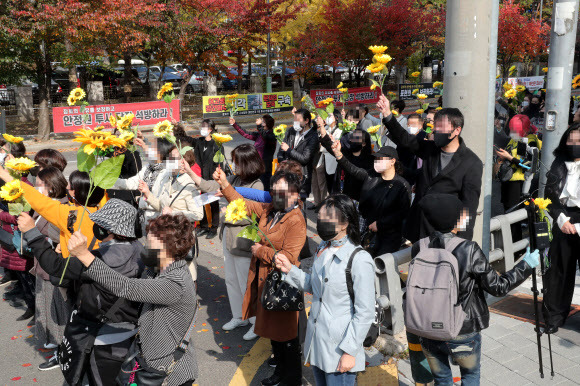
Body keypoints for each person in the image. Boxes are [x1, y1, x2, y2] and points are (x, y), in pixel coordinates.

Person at [413, 193, 540, 385]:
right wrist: (526, 265)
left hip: (427, 328)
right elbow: (498, 287)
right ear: (454, 220)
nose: (465, 217)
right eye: (461, 214)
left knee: (441, 379)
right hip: (463, 328)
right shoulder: (468, 249)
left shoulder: (419, 247)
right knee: (470, 375)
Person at [21, 198, 145, 385]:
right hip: (127, 331)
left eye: (101, 224)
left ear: (110, 230)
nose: (97, 227)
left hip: (100, 337)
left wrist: (32, 232)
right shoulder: (139, 250)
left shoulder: (97, 261)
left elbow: (55, 268)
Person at [67, 214, 198, 386]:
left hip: (169, 374)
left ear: (167, 249)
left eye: (150, 244)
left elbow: (127, 287)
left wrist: (84, 255)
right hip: (152, 360)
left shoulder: (175, 283)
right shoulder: (159, 268)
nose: (145, 247)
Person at [215, 167, 306, 386]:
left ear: (295, 194)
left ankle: (292, 378)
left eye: (283, 192)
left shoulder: (296, 221)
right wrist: (225, 184)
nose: (277, 195)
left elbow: (289, 258)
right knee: (275, 335)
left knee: (287, 336)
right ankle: (279, 372)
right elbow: (243, 205)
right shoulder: (269, 209)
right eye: (275, 190)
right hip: (266, 281)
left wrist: (260, 251)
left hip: (284, 285)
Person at [275, 195, 376, 386]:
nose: (322, 222)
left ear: (345, 222)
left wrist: (349, 351)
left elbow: (365, 312)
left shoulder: (359, 259)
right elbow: (314, 286)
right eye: (320, 217)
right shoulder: (323, 247)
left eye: (328, 217)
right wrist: (290, 270)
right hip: (318, 342)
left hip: (340, 348)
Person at [377, 94, 483, 242]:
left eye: (442, 127)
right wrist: (388, 115)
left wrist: (460, 242)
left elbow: (468, 208)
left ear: (457, 130)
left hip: (444, 235)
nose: (436, 130)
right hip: (418, 228)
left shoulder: (472, 163)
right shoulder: (430, 149)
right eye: (436, 126)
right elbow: (405, 139)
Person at [185, 144, 264, 340]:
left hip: (244, 241)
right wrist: (189, 171)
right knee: (231, 280)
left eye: (237, 162)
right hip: (228, 238)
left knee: (247, 283)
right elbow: (209, 186)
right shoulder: (235, 179)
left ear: (247, 163)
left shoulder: (257, 186)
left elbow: (250, 213)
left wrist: (228, 194)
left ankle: (254, 322)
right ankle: (239, 316)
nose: (234, 165)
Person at [329, 136, 411, 255]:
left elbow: (402, 213)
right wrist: (338, 154)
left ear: (392, 161)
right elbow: (352, 169)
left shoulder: (402, 185)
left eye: (381, 159)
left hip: (390, 235)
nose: (377, 162)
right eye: (376, 159)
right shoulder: (371, 176)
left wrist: (380, 224)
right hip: (367, 231)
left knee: (383, 265)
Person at [30, 167, 73, 371]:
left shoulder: (61, 207)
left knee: (59, 313)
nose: (36, 187)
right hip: (42, 265)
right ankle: (55, 344)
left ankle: (62, 352)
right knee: (47, 307)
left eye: (38, 183)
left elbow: (59, 236)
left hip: (54, 268)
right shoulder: (44, 205)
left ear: (49, 186)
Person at [543, 124, 580, 332]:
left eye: (578, 141)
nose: (574, 145)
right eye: (571, 141)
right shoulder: (559, 163)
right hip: (563, 218)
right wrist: (562, 221)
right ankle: (554, 317)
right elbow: (550, 196)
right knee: (559, 272)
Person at [111, 137, 177, 237]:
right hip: (144, 218)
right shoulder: (148, 168)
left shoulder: (167, 173)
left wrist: (147, 194)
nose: (149, 150)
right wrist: (109, 179)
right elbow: (131, 183)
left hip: (158, 221)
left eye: (152, 148)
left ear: (161, 152)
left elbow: (163, 203)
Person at [495, 114, 541, 241]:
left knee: (513, 217)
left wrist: (509, 157)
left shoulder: (528, 141)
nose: (512, 132)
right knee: (508, 214)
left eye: (515, 130)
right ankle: (511, 245)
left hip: (518, 184)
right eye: (511, 129)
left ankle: (516, 248)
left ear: (525, 130)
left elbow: (529, 165)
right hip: (508, 182)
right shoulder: (515, 139)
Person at [137, 147, 203, 223]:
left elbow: (198, 214)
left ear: (183, 162)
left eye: (173, 158)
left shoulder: (191, 184)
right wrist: (147, 193)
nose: (169, 160)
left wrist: (173, 213)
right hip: (166, 230)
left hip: (180, 231)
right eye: (169, 157)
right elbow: (162, 207)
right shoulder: (167, 178)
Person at [278, 108, 319, 206]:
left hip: (302, 176)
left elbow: (305, 159)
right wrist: (282, 162)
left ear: (306, 121)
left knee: (299, 205)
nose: (295, 122)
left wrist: (289, 150)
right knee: (287, 204)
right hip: (286, 173)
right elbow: (281, 150)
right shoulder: (291, 131)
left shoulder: (313, 136)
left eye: (298, 119)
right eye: (294, 119)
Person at [230, 115, 277, 190]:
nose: (261, 122)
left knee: (265, 187)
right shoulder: (259, 135)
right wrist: (234, 124)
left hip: (265, 167)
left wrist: (259, 126)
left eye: (263, 121)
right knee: (255, 186)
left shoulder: (271, 136)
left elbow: (266, 137)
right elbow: (246, 134)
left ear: (267, 124)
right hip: (256, 166)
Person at [194, 119, 220, 239]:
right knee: (202, 201)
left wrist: (216, 177)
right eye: (201, 127)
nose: (201, 129)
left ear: (210, 129)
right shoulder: (199, 142)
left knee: (214, 203)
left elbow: (220, 162)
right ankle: (203, 226)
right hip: (201, 177)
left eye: (204, 127)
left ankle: (214, 228)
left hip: (212, 178)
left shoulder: (216, 143)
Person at [312, 111, 342, 204]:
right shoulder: (327, 129)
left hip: (334, 161)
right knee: (329, 185)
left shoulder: (339, 131)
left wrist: (324, 146)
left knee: (334, 186)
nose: (328, 118)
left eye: (330, 116)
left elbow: (332, 147)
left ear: (336, 118)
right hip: (325, 161)